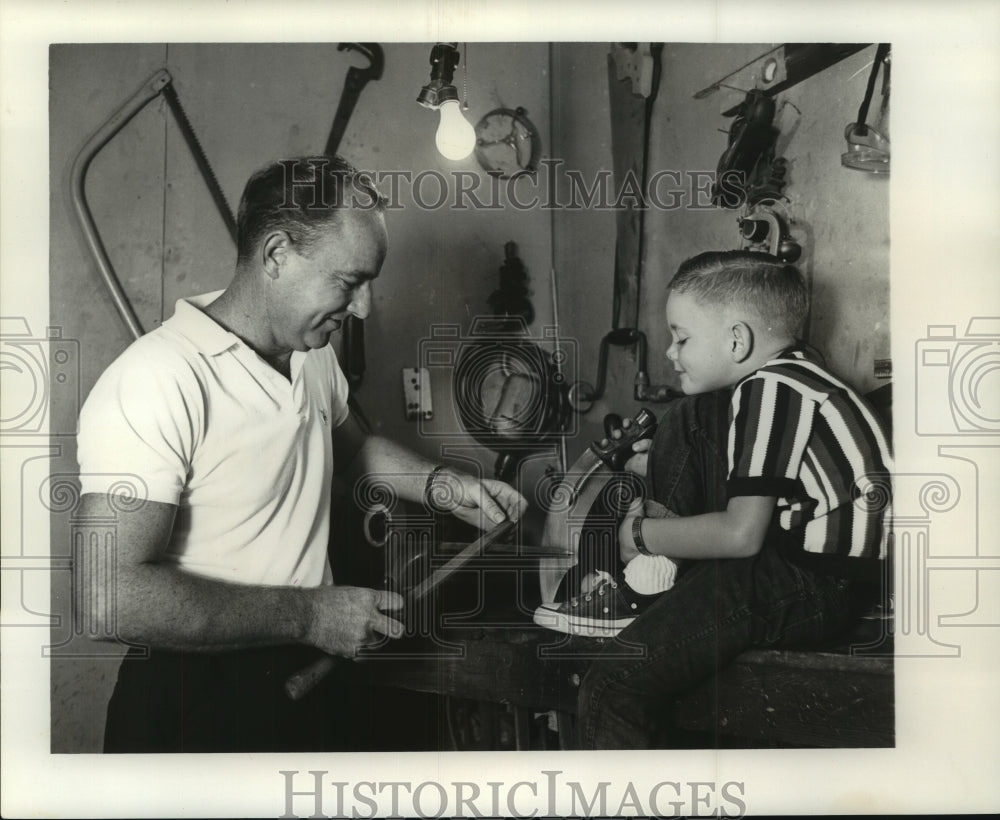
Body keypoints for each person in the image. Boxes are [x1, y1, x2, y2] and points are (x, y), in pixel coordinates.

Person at [75, 156, 527, 752]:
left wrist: (445, 484)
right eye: (349, 281)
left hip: (301, 677)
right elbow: (107, 599)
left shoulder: (312, 353)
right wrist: (313, 616)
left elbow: (352, 451)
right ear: (277, 255)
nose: (363, 307)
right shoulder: (157, 378)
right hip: (194, 697)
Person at [534, 250, 892, 748]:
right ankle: (652, 588)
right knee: (691, 413)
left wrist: (639, 534)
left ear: (737, 339)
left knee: (613, 683)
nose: (670, 352)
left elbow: (742, 535)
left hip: (812, 581)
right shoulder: (803, 374)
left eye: (681, 337)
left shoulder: (769, 390)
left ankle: (645, 585)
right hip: (821, 574)